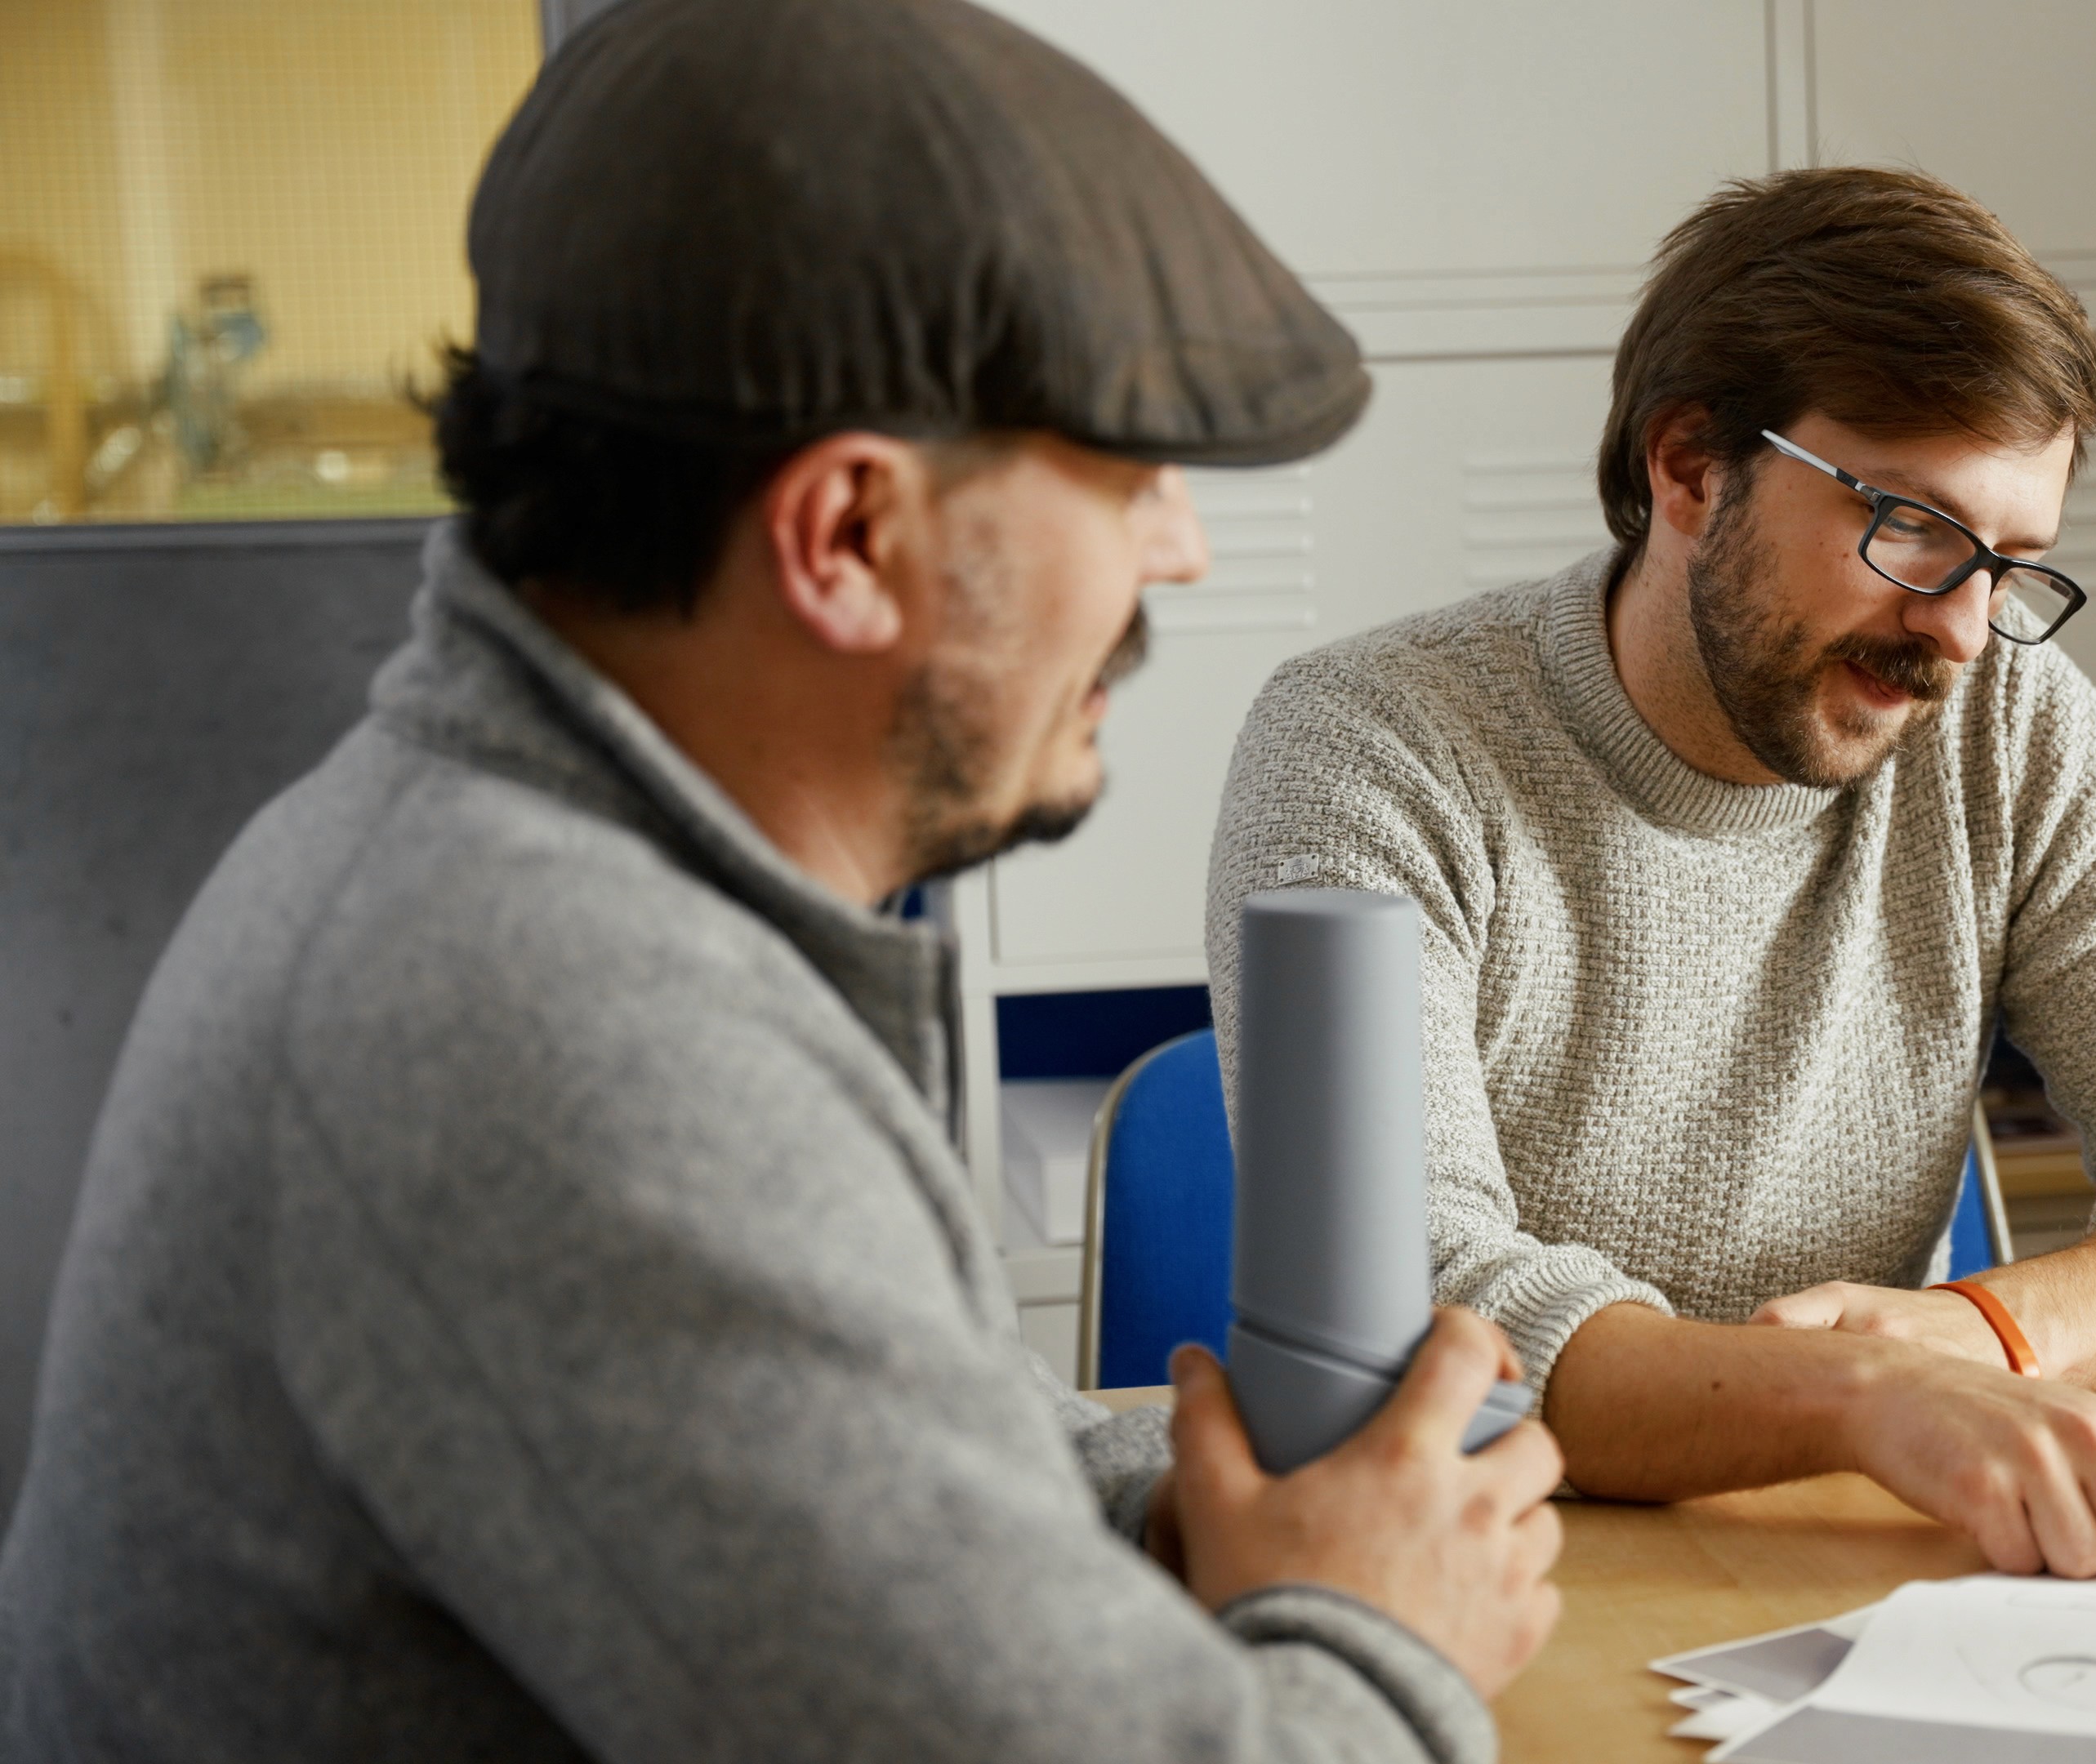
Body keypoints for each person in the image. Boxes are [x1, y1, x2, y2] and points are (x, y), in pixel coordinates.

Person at [0, 2, 1559, 1758]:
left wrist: (1183, 1502)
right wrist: (1370, 1632)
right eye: (1126, 476)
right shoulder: (558, 1029)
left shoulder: (529, 876)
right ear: (843, 539)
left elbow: (847, 1451)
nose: (1181, 547)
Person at [1206, 167, 2096, 1582]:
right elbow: (1415, 1300)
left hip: (1833, 1555)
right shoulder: (1372, 743)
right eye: (1914, 529)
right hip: (1486, 1571)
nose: (1959, 631)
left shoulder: (2007, 721)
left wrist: (1982, 1339)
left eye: (2010, 565)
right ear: (1692, 468)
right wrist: (1865, 1399)